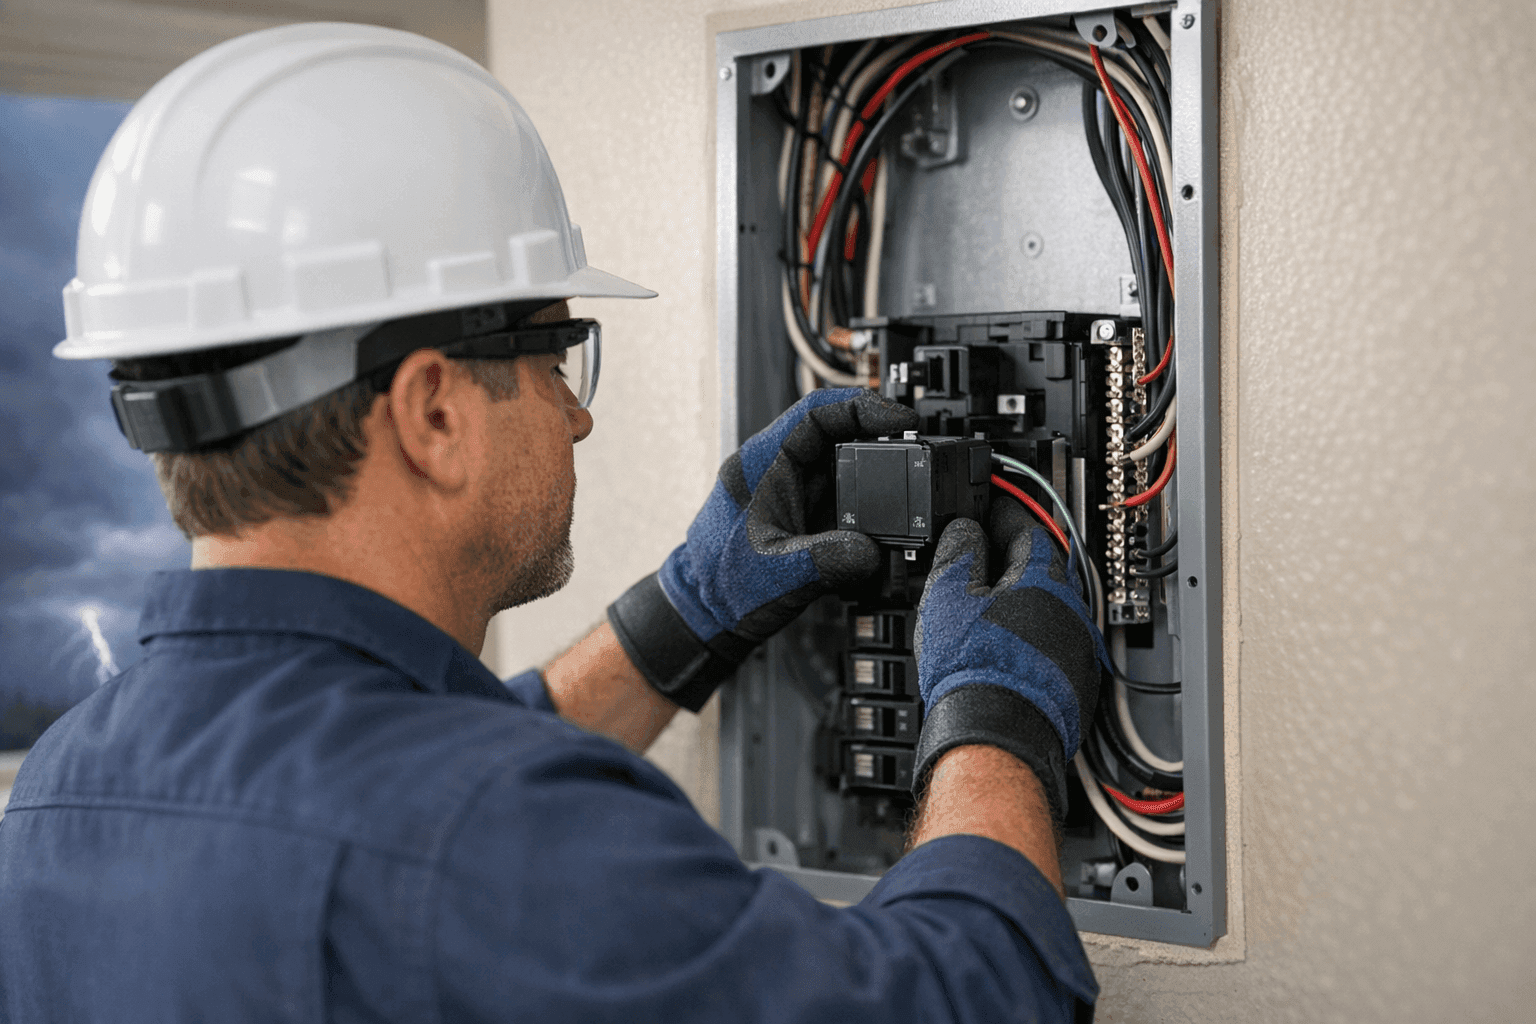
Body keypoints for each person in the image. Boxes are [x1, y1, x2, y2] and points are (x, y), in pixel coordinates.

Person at [0, 22, 1105, 1023]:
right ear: (434, 409)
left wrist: (685, 614)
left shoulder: (62, 787)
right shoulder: (497, 841)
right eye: (552, 352)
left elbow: (385, 784)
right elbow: (971, 998)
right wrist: (998, 723)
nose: (576, 413)